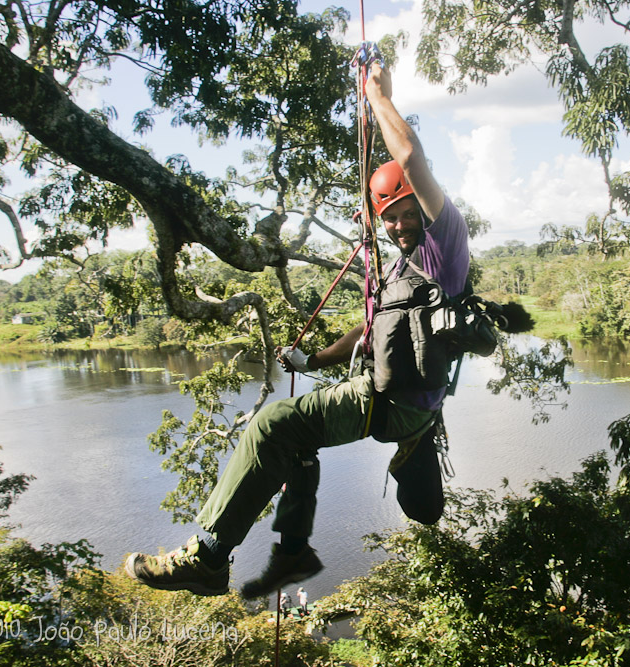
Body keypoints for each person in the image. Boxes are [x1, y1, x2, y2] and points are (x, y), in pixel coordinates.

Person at [124, 62, 470, 599]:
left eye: (404, 212)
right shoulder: (403, 268)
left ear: (421, 208)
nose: (398, 225)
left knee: (271, 426)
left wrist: (376, 97)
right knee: (297, 444)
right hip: (395, 400)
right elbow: (371, 330)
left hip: (397, 403)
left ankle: (210, 557)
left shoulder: (443, 245)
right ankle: (292, 551)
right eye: (389, 219)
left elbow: (411, 158)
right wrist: (314, 362)